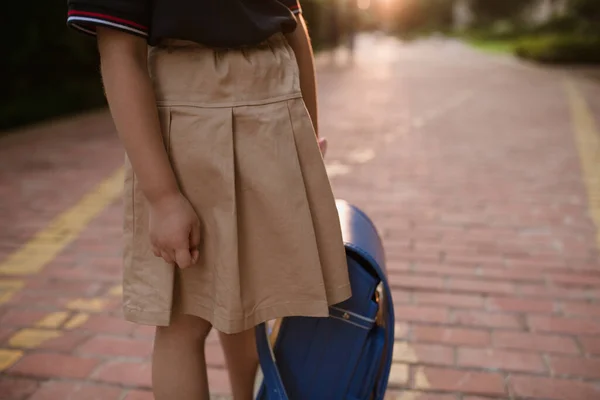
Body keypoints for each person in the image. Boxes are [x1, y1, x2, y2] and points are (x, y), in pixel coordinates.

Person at [66, 1, 352, 399]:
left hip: (275, 103)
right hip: (189, 120)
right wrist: (163, 198)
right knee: (183, 321)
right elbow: (119, 52)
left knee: (257, 304)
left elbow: (293, 17)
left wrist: (308, 131)